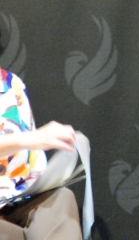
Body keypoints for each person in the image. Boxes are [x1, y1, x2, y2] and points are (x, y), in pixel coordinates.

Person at [0, 68, 82, 239]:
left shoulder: (10, 83)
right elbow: (28, 140)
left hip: (16, 203)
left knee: (60, 199)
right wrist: (27, 139)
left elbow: (29, 161)